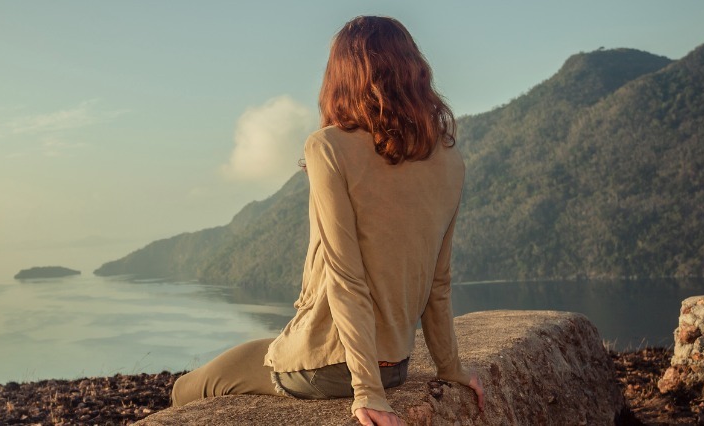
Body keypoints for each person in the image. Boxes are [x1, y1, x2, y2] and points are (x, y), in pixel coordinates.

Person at [169, 16, 485, 426]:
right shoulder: (449, 161)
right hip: (396, 366)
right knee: (264, 349)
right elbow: (438, 283)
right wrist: (450, 368)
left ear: (342, 74)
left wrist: (367, 392)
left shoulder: (328, 146)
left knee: (189, 389)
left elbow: (345, 278)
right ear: (414, 71)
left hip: (336, 367)